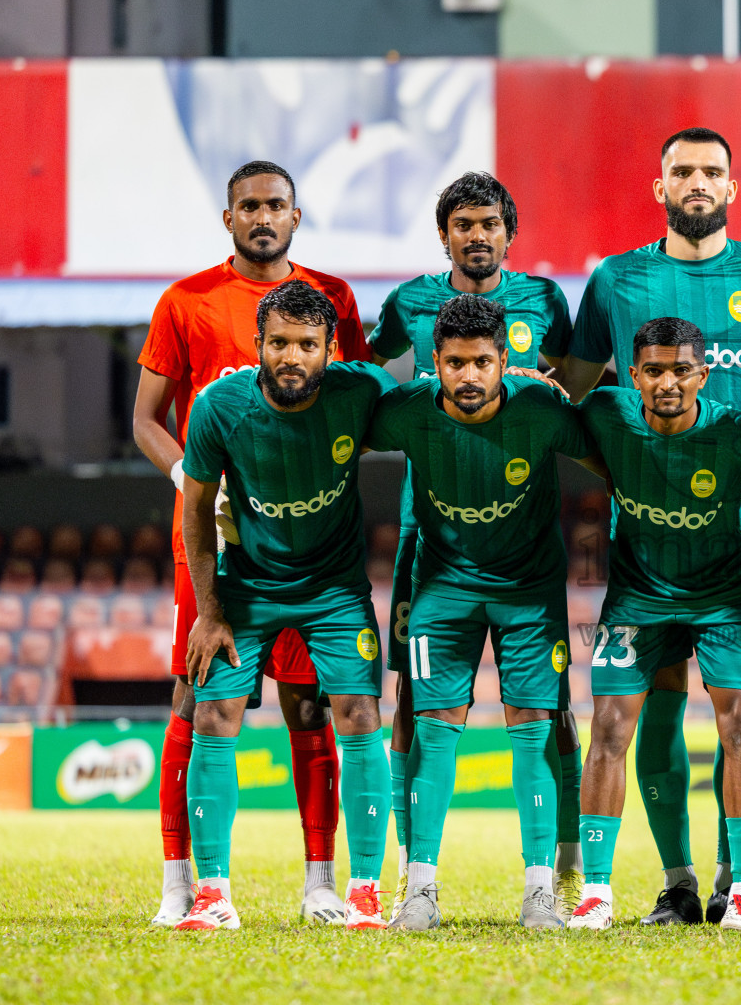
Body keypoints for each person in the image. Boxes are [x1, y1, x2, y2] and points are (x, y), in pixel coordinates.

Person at [560, 128, 741, 924]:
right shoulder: (616, 279)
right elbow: (571, 402)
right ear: (657, 185)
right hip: (647, 550)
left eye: (711, 172)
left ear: (733, 187)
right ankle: (678, 881)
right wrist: (634, 473)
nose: (697, 183)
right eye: (682, 171)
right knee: (654, 708)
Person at [132, 159, 369, 927]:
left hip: (303, 532)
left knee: (310, 702)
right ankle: (182, 881)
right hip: (210, 530)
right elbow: (146, 419)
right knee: (194, 693)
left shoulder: (334, 299)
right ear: (227, 217)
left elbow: (355, 407)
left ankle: (322, 882)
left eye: (275, 205)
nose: (262, 217)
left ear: (296, 217)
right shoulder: (185, 300)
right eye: (247, 206)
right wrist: (186, 479)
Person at [369, 172, 585, 918]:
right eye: (463, 223)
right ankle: (413, 878)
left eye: (490, 222)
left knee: (547, 711)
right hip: (429, 538)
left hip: (526, 550)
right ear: (444, 234)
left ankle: (559, 869)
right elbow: (362, 381)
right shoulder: (408, 305)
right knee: (416, 706)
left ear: (509, 231)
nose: (477, 235)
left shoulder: (546, 302)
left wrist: (551, 391)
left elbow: (582, 387)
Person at [174, 280, 397, 931]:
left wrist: (526, 383)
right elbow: (194, 505)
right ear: (258, 345)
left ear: (331, 348)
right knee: (213, 713)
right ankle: (213, 895)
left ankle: (363, 893)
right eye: (279, 343)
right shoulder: (220, 405)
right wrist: (209, 612)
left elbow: (435, 407)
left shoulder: (361, 391)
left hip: (333, 587)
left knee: (357, 713)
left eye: (306, 344)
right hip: (247, 586)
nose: (291, 356)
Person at [568, 318, 741, 931]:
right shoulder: (608, 413)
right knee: (612, 725)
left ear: (702, 374)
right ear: (634, 374)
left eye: (680, 370)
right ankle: (617, 890)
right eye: (654, 371)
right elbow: (551, 411)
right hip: (639, 598)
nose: (667, 382)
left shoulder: (734, 429)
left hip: (723, 598)